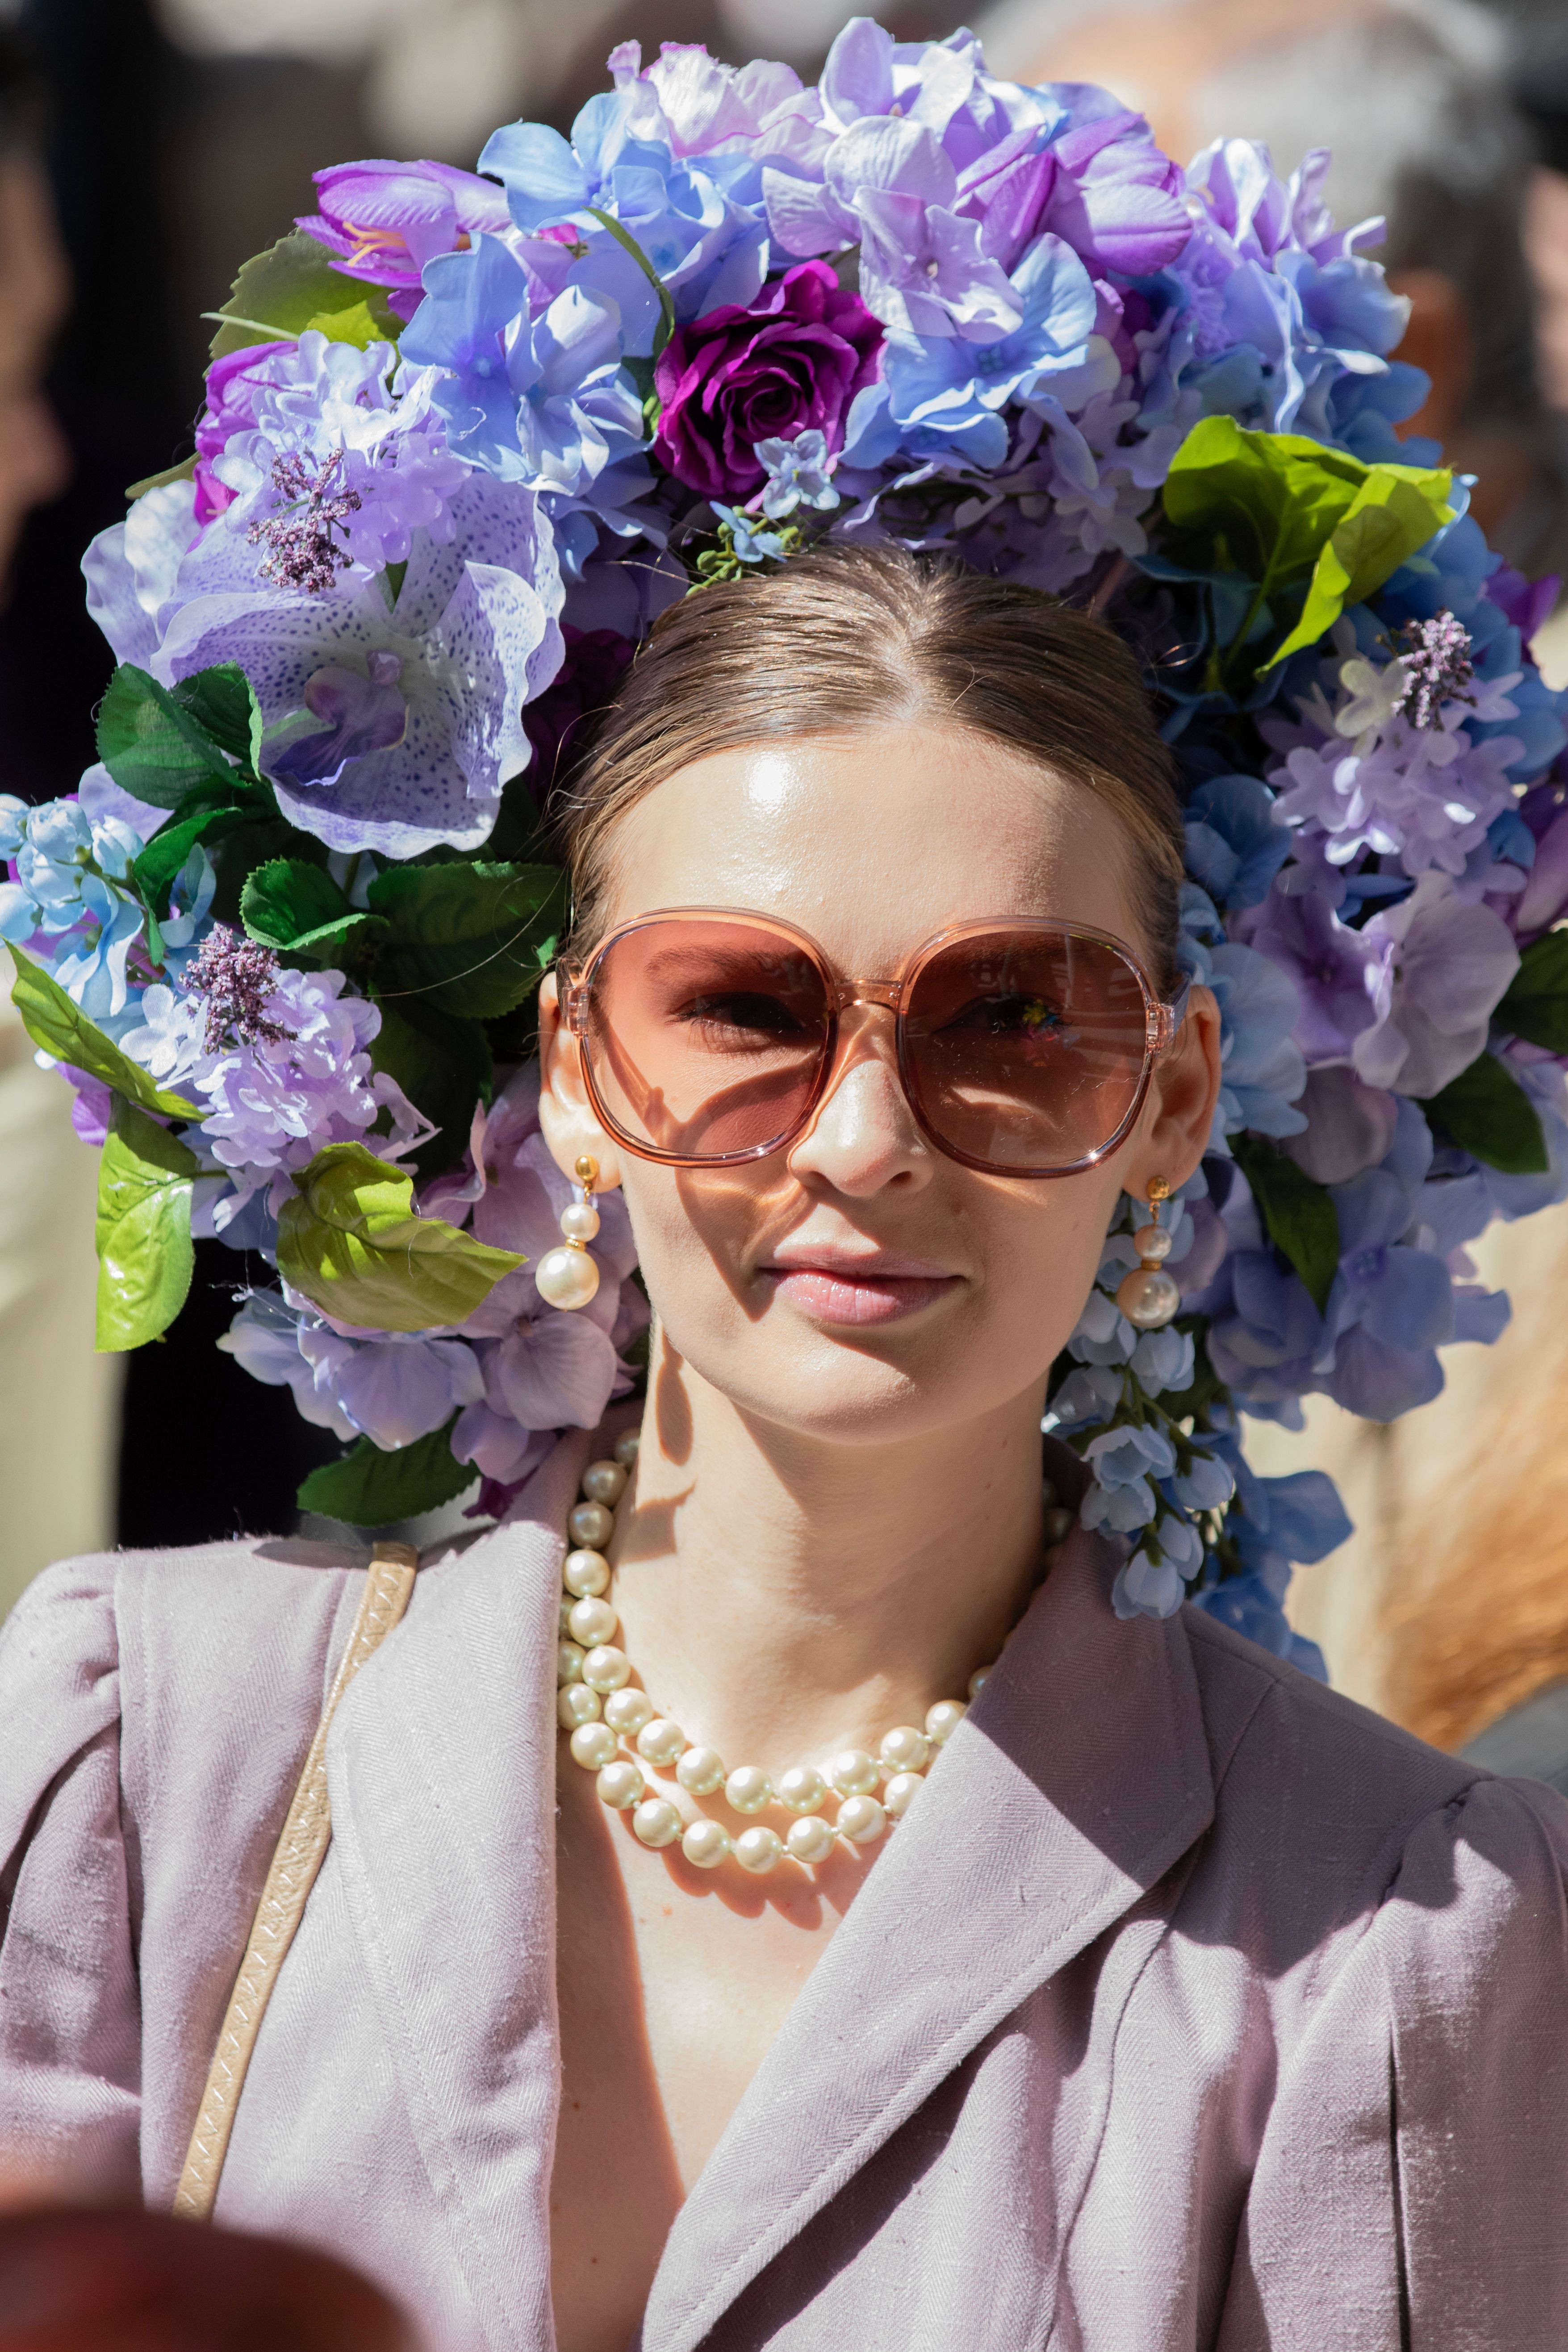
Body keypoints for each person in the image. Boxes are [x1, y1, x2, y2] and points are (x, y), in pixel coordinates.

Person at [4, 548, 1567, 2351]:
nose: (863, 1139)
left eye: (1012, 1018)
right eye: (742, 1007)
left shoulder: (1388, 1931)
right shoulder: (144, 1749)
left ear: (1171, 1096)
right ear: (580, 1070)